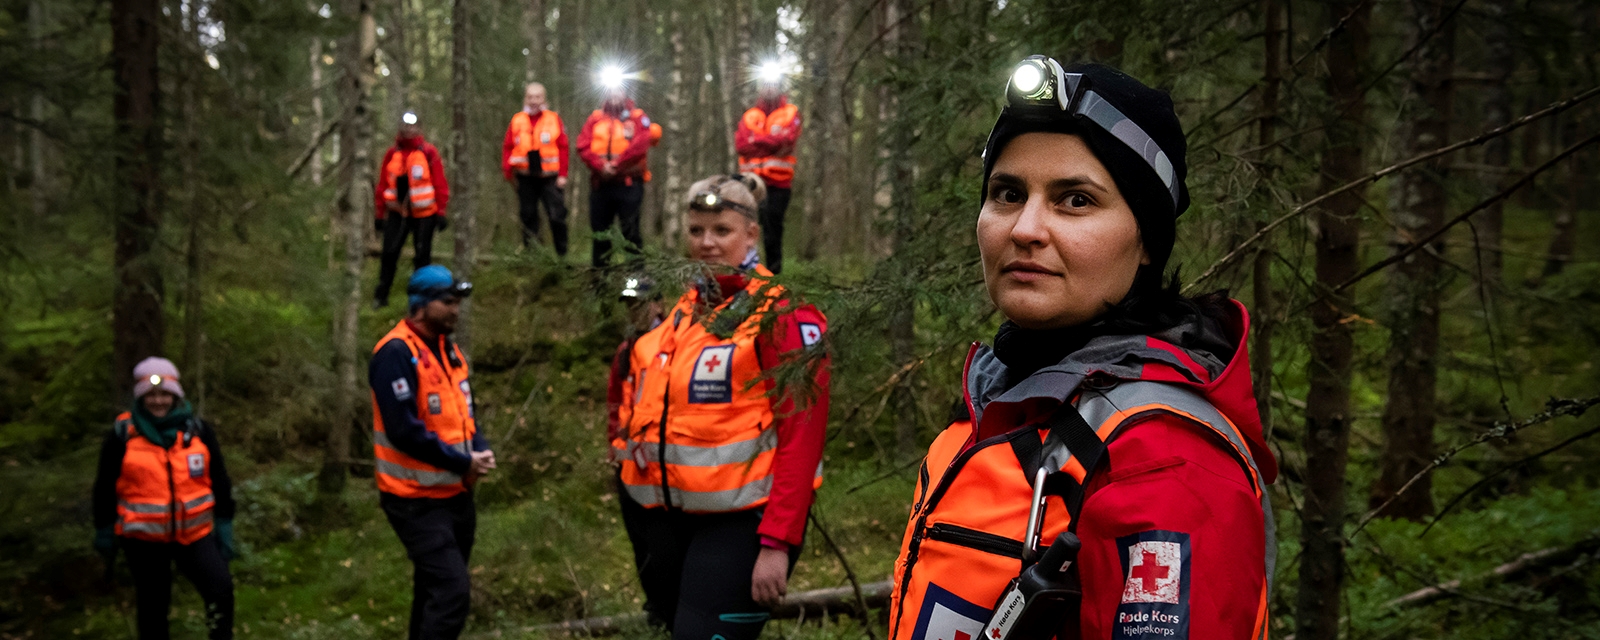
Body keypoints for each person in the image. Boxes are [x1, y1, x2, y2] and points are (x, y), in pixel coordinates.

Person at [887, 59, 1278, 640]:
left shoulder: (1161, 460)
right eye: (1007, 193)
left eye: (1075, 201)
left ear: (1145, 240)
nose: (1025, 228)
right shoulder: (999, 398)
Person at [614, 173, 830, 639]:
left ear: (751, 233)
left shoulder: (784, 313)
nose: (707, 243)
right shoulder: (684, 311)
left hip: (742, 524)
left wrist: (777, 542)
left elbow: (802, 436)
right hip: (666, 519)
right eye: (696, 231)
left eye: (721, 231)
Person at [369, 265, 495, 640]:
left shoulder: (451, 352)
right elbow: (404, 430)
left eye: (458, 301)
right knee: (452, 593)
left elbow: (466, 414)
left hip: (456, 495)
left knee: (431, 591)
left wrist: (481, 450)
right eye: (447, 301)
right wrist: (462, 461)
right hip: (414, 500)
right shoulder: (394, 353)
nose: (456, 309)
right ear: (420, 306)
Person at [92, 357, 236, 640]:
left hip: (194, 536)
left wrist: (225, 522)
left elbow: (219, 479)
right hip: (143, 541)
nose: (158, 401)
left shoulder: (199, 432)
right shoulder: (122, 436)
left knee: (220, 588)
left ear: (175, 395)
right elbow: (104, 486)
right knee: (153, 606)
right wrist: (104, 529)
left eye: (164, 394)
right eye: (151, 395)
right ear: (141, 398)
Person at [605, 275, 665, 618]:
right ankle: (654, 609)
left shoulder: (671, 343)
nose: (635, 312)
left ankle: (670, 609)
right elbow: (615, 402)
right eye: (629, 305)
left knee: (663, 544)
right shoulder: (626, 351)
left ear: (657, 303)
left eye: (640, 303)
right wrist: (614, 445)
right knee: (639, 542)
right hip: (629, 468)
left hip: (665, 467)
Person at [576, 83, 662, 269]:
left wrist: (617, 165)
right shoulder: (595, 118)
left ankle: (635, 282)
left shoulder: (637, 117)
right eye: (610, 90)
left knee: (631, 234)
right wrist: (600, 166)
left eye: (618, 89)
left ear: (625, 93)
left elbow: (640, 144)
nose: (614, 94)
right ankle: (601, 282)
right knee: (600, 234)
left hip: (629, 184)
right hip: (600, 184)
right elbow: (583, 145)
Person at [373, 111, 451, 308]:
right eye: (405, 126)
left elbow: (440, 183)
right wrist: (379, 214)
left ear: (419, 128)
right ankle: (381, 296)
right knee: (389, 253)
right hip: (397, 213)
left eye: (413, 126)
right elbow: (382, 184)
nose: (409, 129)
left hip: (425, 214)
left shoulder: (428, 153)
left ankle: (421, 299)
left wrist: (441, 212)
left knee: (422, 255)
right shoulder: (392, 154)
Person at [735, 70, 802, 273]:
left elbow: (787, 142)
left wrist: (756, 139)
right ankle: (746, 275)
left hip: (778, 185)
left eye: (774, 84)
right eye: (766, 84)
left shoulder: (790, 112)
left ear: (780, 87)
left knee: (773, 234)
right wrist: (771, 143)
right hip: (750, 184)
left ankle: (774, 279)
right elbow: (741, 145)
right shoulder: (750, 115)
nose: (770, 88)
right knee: (745, 230)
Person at [501, 82, 571, 254]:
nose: (534, 101)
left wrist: (563, 174)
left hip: (550, 177)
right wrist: (507, 171)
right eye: (530, 97)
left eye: (537, 97)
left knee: (557, 216)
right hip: (525, 177)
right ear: (525, 99)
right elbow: (508, 146)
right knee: (528, 216)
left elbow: (563, 147)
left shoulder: (553, 119)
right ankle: (532, 256)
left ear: (544, 99)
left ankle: (562, 256)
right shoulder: (517, 120)